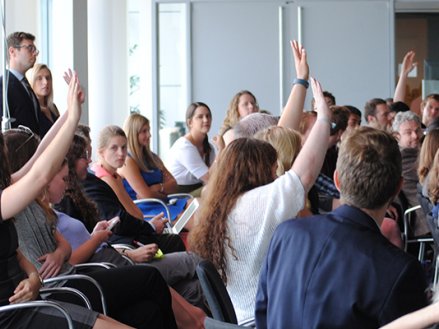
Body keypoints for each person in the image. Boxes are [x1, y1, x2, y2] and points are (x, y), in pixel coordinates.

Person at [189, 76, 331, 323]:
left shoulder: (217, 208)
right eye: (272, 166)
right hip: (270, 320)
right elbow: (305, 172)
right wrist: (324, 118)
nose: (276, 172)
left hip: (240, 319)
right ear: (258, 169)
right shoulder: (259, 204)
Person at [255, 127, 428, 329]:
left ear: (337, 180)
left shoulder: (286, 234)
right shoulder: (400, 269)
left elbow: (262, 313)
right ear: (398, 187)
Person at [0, 70, 132, 329]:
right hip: (15, 316)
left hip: (29, 303)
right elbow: (40, 174)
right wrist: (72, 118)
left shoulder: (6, 189)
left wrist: (69, 115)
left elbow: (38, 158)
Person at [118, 113, 187, 220]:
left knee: (199, 206)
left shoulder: (152, 157)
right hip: (147, 209)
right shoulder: (128, 161)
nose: (149, 135)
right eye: (144, 131)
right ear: (133, 134)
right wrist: (164, 195)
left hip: (164, 203)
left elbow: (174, 184)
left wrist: (158, 188)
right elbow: (146, 196)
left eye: (149, 130)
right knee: (193, 220)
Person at [0, 32, 51, 137]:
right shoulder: (3, 86)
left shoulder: (26, 86)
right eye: (30, 48)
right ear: (12, 51)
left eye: (35, 49)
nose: (35, 53)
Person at [166, 102, 215, 195]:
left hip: (198, 189)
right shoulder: (184, 147)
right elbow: (210, 178)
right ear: (190, 122)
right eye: (200, 117)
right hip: (179, 194)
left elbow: (216, 175)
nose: (206, 120)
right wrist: (221, 150)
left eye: (208, 116)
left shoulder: (209, 147)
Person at [28, 63, 60, 134]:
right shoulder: (31, 109)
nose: (45, 82)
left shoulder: (53, 108)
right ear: (32, 81)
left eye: (48, 78)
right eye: (39, 78)